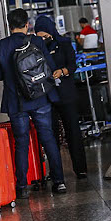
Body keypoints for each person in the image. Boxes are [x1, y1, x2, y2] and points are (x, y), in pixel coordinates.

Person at [0, 8, 67, 197]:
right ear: (27, 24)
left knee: (21, 142)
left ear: (9, 26)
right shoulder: (37, 41)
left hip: (16, 102)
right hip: (39, 98)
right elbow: (49, 66)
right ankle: (59, 182)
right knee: (48, 138)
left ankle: (22, 186)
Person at [34, 15, 87, 180]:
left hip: (66, 94)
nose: (42, 38)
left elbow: (73, 65)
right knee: (51, 135)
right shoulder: (37, 47)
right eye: (39, 36)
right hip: (48, 96)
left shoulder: (64, 44)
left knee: (73, 131)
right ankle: (55, 172)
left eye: (44, 35)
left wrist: (63, 71)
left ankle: (80, 168)